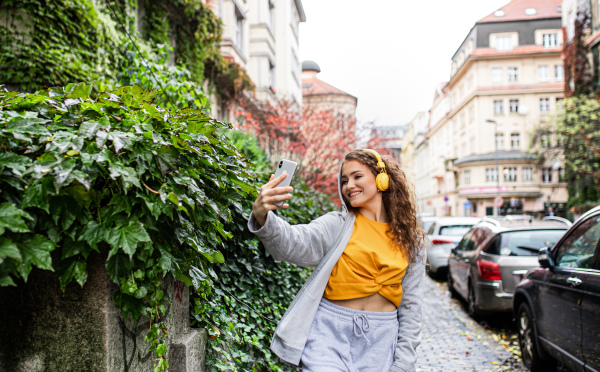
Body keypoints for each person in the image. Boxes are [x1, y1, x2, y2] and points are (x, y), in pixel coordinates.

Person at [248, 149, 427, 372]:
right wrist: (262, 214)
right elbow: (294, 243)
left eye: (357, 176)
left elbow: (412, 308)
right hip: (329, 332)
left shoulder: (412, 240)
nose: (349, 185)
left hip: (381, 340)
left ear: (382, 178)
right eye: (344, 180)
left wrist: (404, 363)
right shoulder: (337, 224)